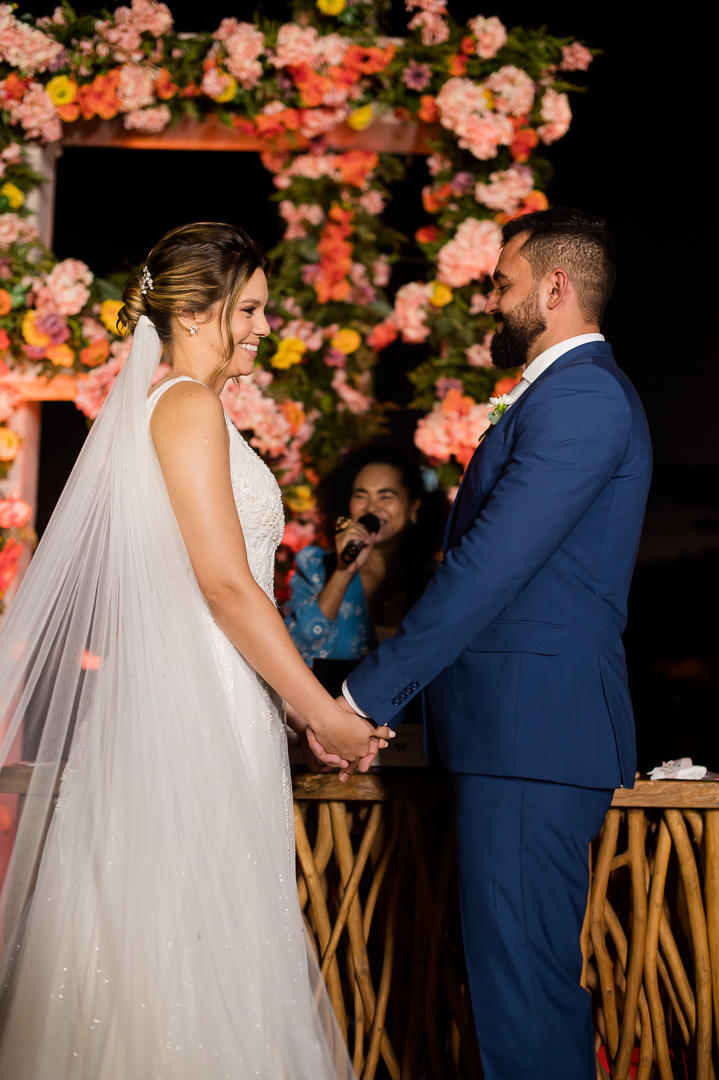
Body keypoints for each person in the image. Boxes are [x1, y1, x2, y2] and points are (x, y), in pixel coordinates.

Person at [0, 222, 392, 1079]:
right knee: (186, 933)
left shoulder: (181, 408)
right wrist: (321, 710)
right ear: (190, 313)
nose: (262, 327)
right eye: (247, 309)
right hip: (195, 712)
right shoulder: (185, 407)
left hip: (215, 699)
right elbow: (223, 585)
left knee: (200, 928)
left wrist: (291, 714)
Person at [313, 208, 653, 1079]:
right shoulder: (560, 394)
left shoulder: (581, 397)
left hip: (532, 732)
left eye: (502, 284)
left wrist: (360, 697)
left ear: (555, 287)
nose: (490, 301)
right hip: (514, 733)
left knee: (522, 1000)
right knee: (512, 991)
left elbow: (486, 571)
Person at [284, 442, 446, 665]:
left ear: (413, 508)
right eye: (361, 496)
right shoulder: (316, 567)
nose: (371, 507)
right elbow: (291, 649)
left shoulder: (436, 580)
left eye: (386, 496)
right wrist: (343, 571)